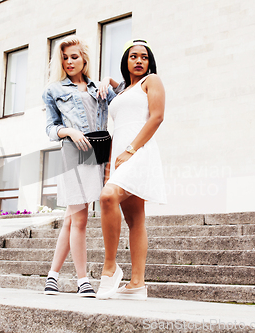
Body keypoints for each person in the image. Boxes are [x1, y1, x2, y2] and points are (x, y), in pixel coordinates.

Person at [42, 36, 117, 297]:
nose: (69, 62)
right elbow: (50, 128)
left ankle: (52, 277)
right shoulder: (54, 90)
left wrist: (108, 80)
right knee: (81, 218)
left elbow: (122, 99)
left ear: (84, 58)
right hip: (73, 154)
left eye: (74, 56)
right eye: (65, 58)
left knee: (70, 219)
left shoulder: (99, 88)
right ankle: (83, 281)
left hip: (97, 155)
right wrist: (69, 131)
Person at [96, 39, 167, 301]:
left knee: (107, 197)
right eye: (133, 56)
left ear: (150, 62)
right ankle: (137, 284)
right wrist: (112, 82)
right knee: (135, 220)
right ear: (126, 60)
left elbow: (157, 116)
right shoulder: (126, 90)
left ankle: (110, 267)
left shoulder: (152, 81)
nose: (139, 61)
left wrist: (131, 149)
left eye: (144, 57)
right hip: (121, 155)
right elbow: (121, 113)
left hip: (139, 152)